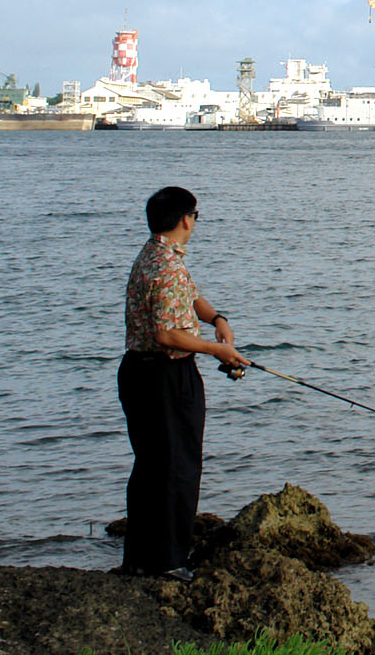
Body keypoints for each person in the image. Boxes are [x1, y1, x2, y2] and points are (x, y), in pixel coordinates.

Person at [118, 185, 249, 577]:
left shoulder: (153, 255)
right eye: (195, 216)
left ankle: (140, 559)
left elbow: (191, 298)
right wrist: (217, 350)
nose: (194, 223)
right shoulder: (167, 267)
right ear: (185, 220)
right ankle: (170, 562)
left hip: (138, 371)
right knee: (178, 467)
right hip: (166, 376)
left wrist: (218, 320)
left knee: (150, 467)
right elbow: (167, 334)